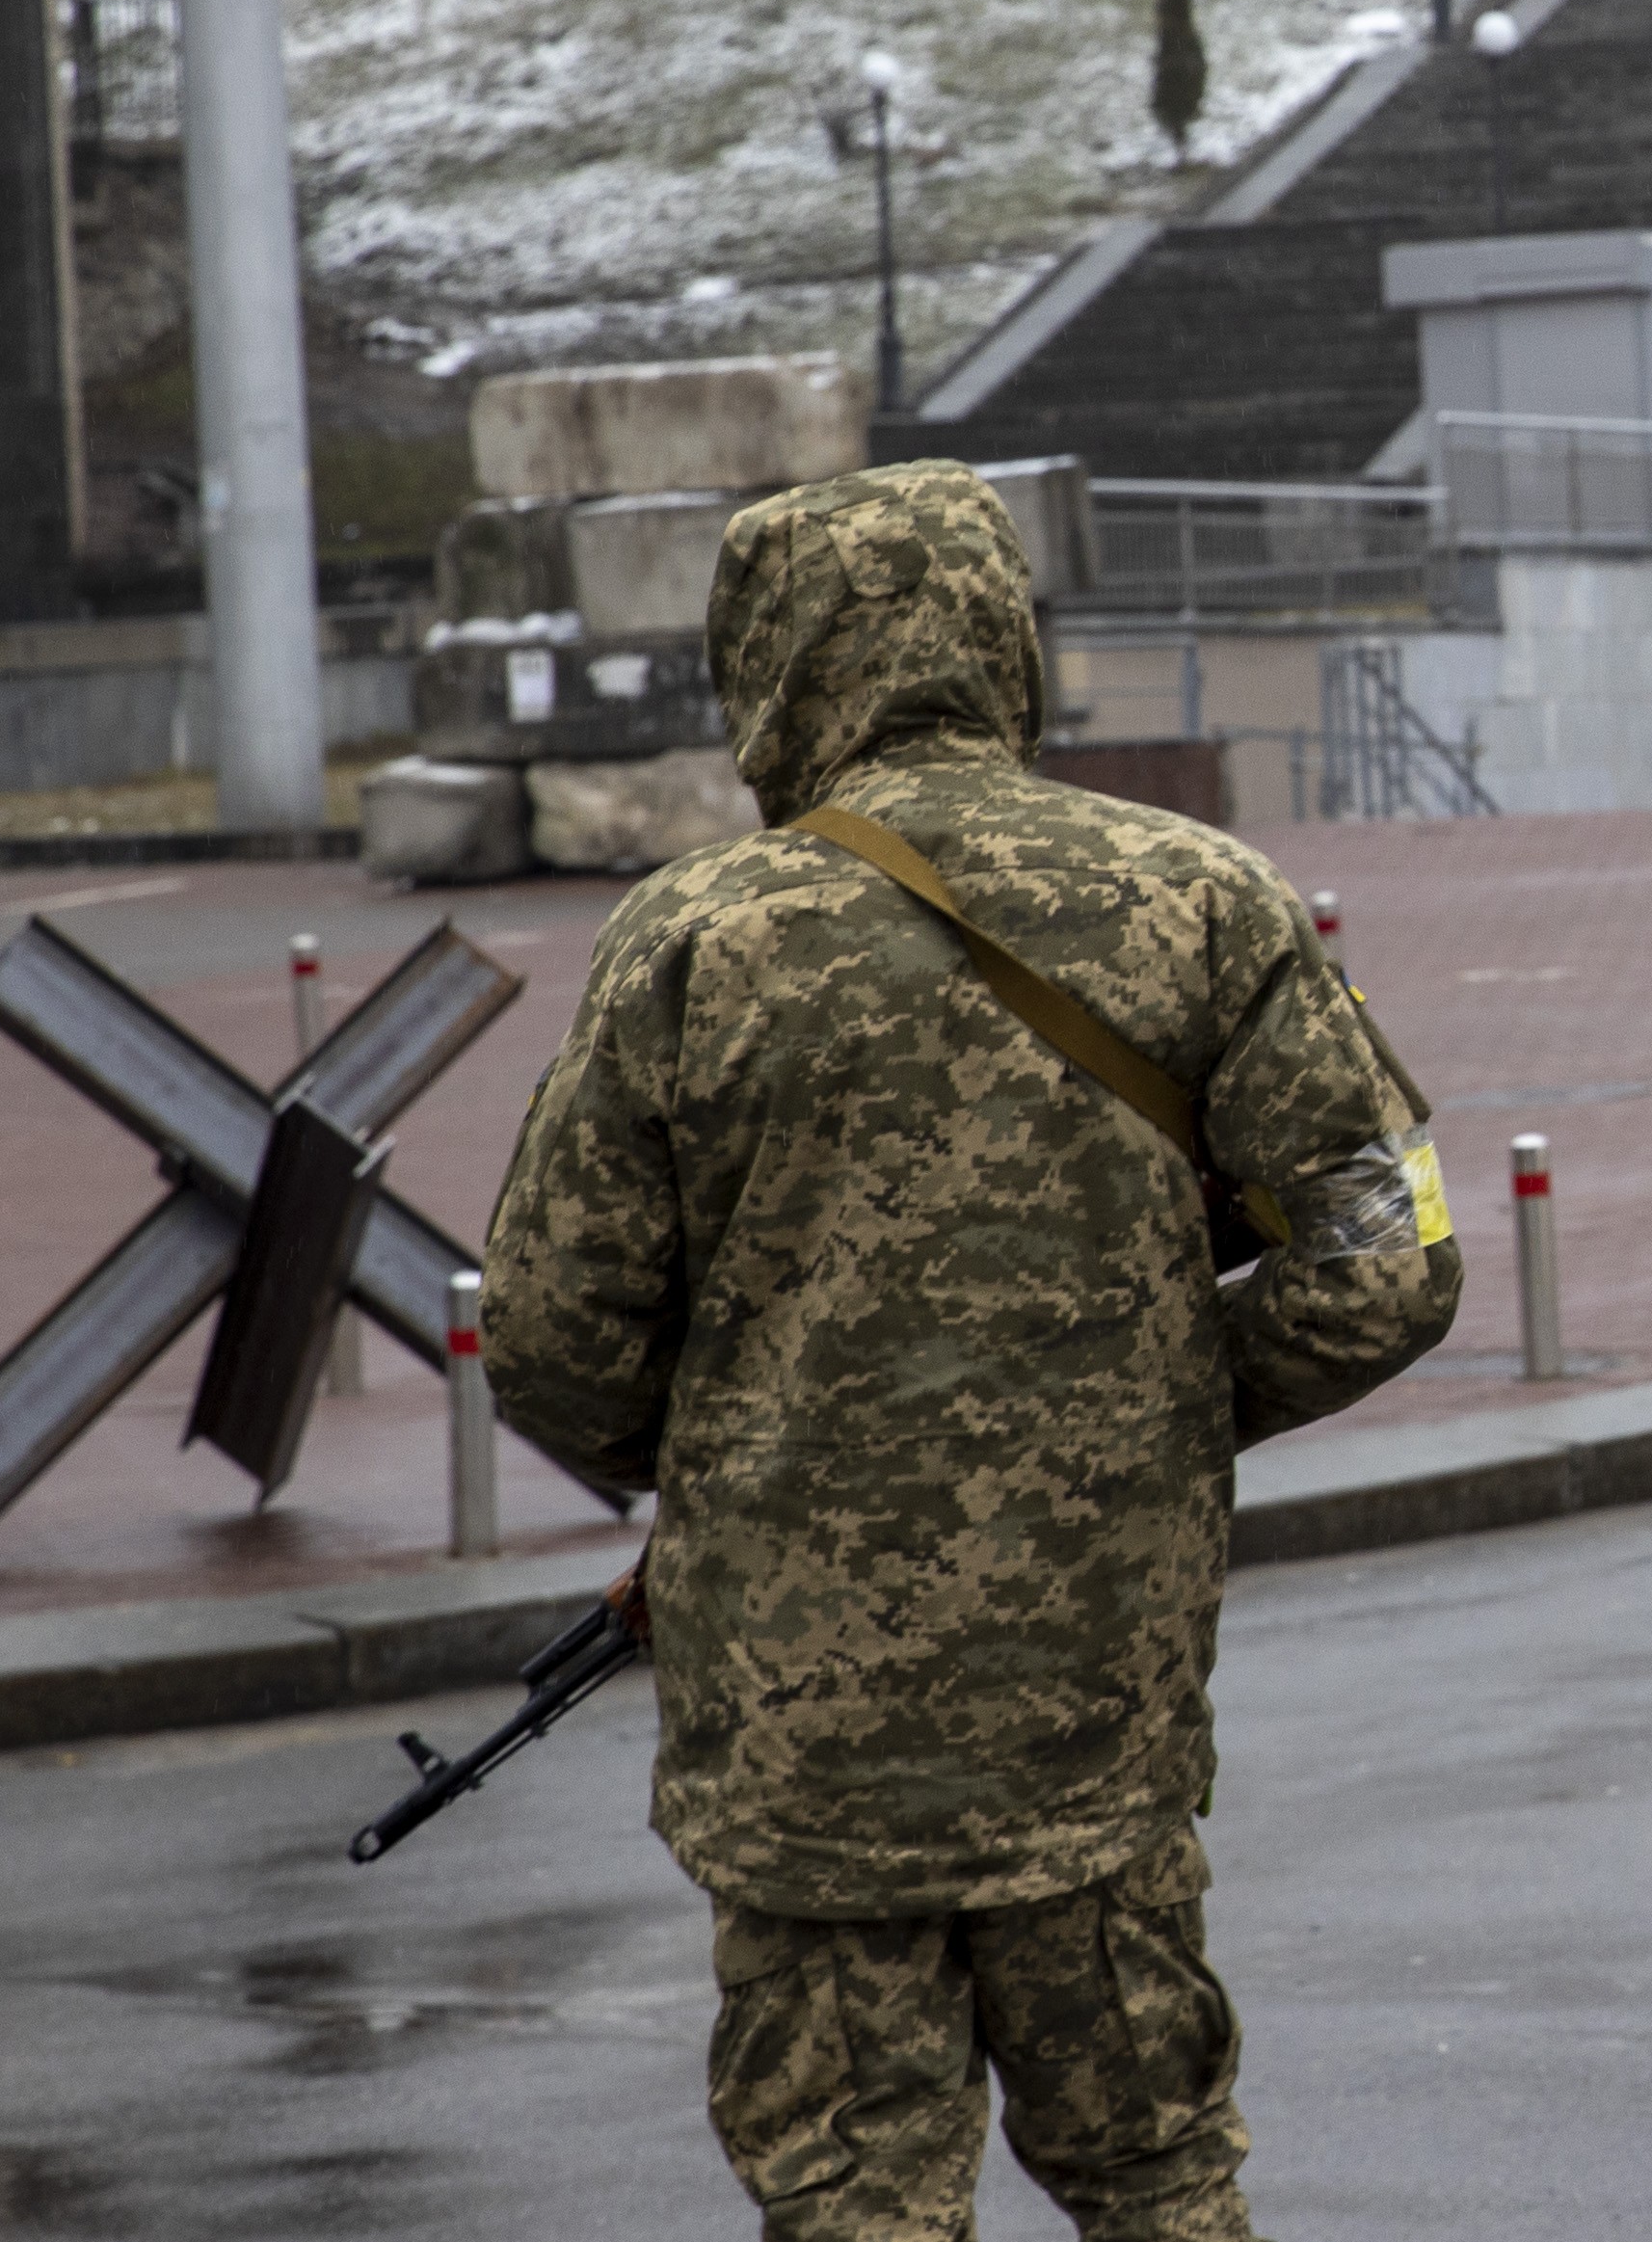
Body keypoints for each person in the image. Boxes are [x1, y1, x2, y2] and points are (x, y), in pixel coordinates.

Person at [488, 462, 1462, 2242]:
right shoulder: (1208, 900)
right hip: (1092, 1708)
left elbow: (548, 1334)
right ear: (1009, 639)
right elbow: (1388, 1255)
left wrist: (724, 1459)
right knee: (1161, 2170)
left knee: (857, 2200)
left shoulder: (694, 937)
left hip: (804, 1741)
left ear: (768, 666)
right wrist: (1150, 1410)